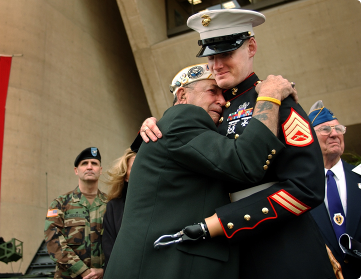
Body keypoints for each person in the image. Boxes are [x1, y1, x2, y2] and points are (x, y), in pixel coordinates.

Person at [142, 9, 335, 279]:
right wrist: (153, 125)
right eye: (211, 56)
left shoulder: (277, 100)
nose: (217, 64)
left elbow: (307, 186)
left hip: (281, 249)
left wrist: (224, 221)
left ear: (251, 47)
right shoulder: (210, 109)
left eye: (226, 53)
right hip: (224, 257)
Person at [104, 63, 297, 279]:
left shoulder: (175, 126)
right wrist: (270, 96)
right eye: (211, 91)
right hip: (164, 267)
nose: (222, 101)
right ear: (182, 95)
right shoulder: (183, 118)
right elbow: (246, 162)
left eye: (223, 94)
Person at [309, 100, 361, 279]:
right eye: (325, 129)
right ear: (310, 138)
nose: (334, 134)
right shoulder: (299, 186)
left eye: (338, 129)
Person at [44, 147, 107, 279]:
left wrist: (104, 270)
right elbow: (53, 241)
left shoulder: (111, 205)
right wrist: (84, 272)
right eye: (84, 163)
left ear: (100, 170)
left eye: (94, 163)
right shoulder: (60, 204)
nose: (89, 167)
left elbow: (120, 241)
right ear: (76, 171)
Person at [102, 148, 136, 272]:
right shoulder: (114, 207)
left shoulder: (159, 203)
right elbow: (109, 248)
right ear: (125, 176)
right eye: (135, 168)